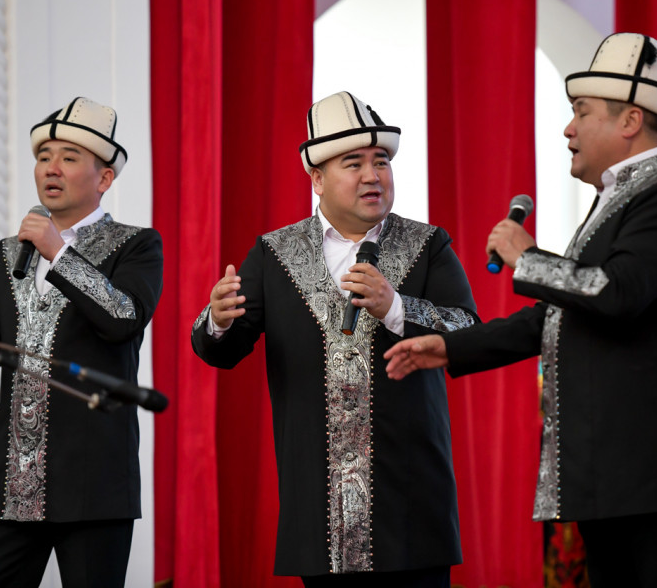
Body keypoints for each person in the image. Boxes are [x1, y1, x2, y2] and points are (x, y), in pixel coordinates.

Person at [384, 33, 657, 588]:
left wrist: (528, 257)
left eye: (581, 112)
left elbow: (616, 293)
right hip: (614, 474)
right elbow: (564, 315)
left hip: (652, 473)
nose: (568, 129)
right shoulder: (622, 199)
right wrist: (451, 346)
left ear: (630, 120)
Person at [192, 91, 478, 586]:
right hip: (317, 509)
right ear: (317, 179)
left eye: (381, 161)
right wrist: (216, 319)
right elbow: (222, 350)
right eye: (354, 163)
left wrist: (396, 307)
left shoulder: (428, 245)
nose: (373, 175)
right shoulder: (275, 253)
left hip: (411, 503)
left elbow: (469, 332)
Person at [0, 97, 164, 588]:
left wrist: (58, 252)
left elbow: (123, 318)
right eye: (44, 156)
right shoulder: (9, 254)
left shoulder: (136, 245)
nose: (51, 167)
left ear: (104, 178)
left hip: (94, 482)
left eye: (69, 157)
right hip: (11, 483)